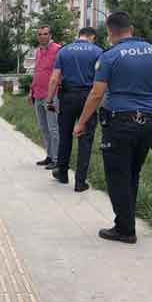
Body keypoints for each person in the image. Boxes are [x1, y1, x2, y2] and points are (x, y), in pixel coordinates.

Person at [74, 11, 152, 244]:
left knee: (117, 174)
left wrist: (81, 122)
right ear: (130, 27)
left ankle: (125, 229)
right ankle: (127, 218)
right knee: (133, 172)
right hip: (149, 120)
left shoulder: (110, 56)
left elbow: (97, 93)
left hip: (120, 121)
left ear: (110, 32)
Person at [46, 27, 103, 192]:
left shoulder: (64, 51)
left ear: (79, 36)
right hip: (89, 97)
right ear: (92, 37)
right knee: (85, 139)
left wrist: (49, 100)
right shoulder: (98, 51)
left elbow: (55, 78)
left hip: (67, 97)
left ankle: (62, 173)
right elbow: (102, 80)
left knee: (65, 136)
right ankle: (80, 182)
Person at [29, 25, 61, 170]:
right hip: (38, 95)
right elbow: (37, 72)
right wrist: (31, 92)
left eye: (45, 34)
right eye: (40, 34)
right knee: (43, 128)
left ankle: (57, 159)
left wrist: (55, 92)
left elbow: (60, 73)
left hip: (52, 97)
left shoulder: (58, 49)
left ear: (50, 34)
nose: (42, 36)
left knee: (53, 128)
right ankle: (49, 156)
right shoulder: (38, 51)